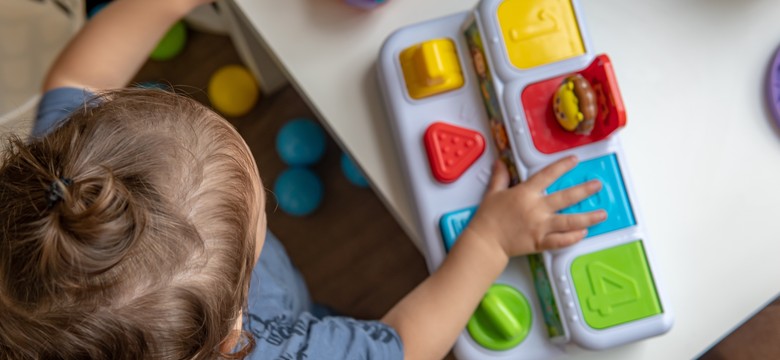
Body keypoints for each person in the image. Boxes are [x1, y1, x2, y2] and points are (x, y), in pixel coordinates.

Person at [0, 0, 606, 358]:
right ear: (232, 333)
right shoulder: (285, 347)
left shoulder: (63, 189)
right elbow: (400, 345)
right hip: (290, 311)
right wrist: (489, 244)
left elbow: (84, 70)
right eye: (258, 201)